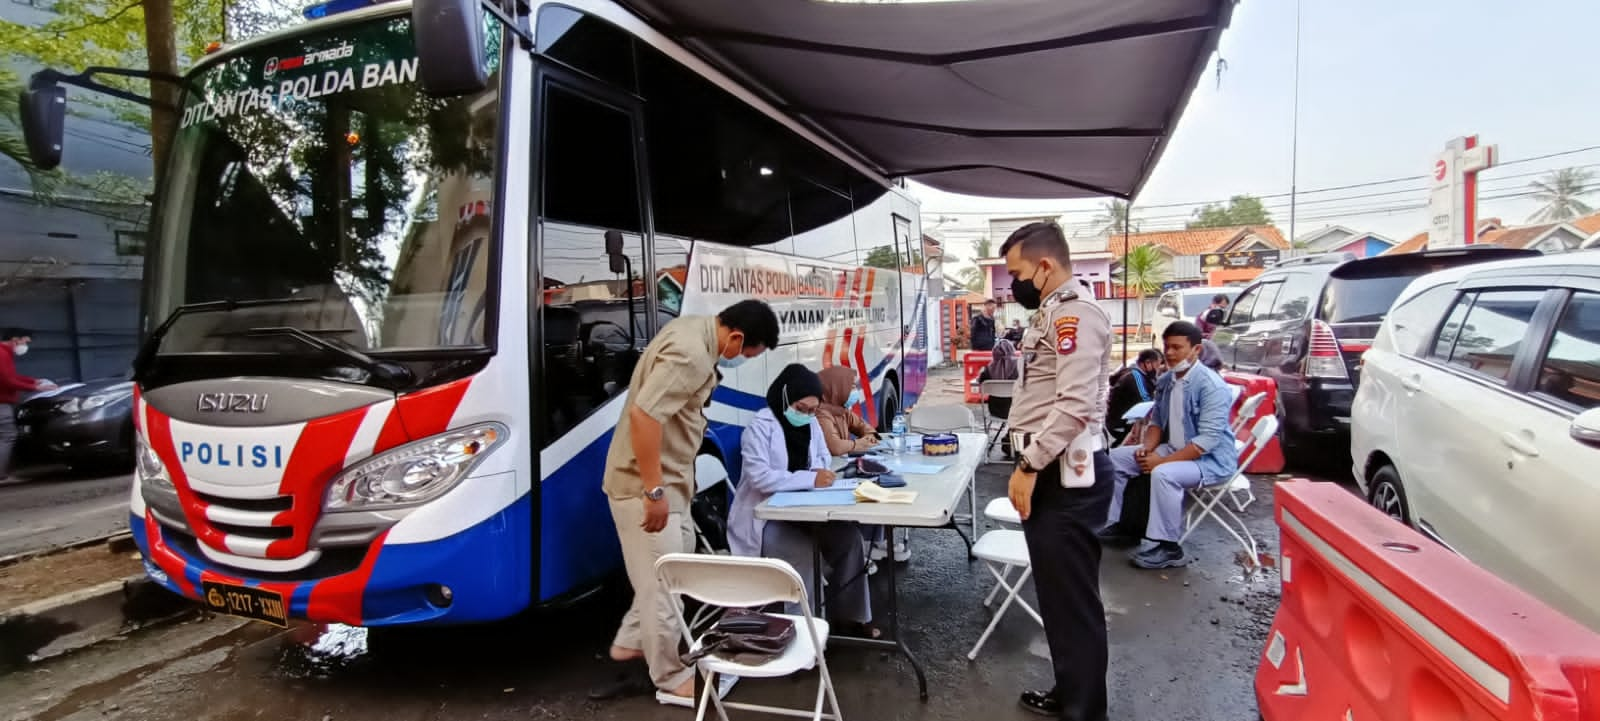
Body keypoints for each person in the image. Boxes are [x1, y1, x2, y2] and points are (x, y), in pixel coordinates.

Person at [593, 300, 780, 706]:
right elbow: (645, 417)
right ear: (736, 337)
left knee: (678, 569)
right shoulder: (693, 355)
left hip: (674, 482)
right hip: (645, 487)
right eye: (748, 354)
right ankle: (670, 676)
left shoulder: (694, 328)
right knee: (662, 587)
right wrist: (653, 491)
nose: (742, 360)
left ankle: (632, 640)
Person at [998, 222, 1114, 721]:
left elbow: (1075, 407)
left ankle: (1084, 710)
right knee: (1057, 598)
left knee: (1072, 604)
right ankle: (1071, 693)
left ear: (1045, 267)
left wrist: (1028, 464)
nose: (1012, 286)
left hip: (1064, 475)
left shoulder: (1075, 317)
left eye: (1017, 274)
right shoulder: (1051, 314)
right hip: (1055, 472)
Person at [726, 364, 879, 637]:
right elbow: (760, 478)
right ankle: (806, 636)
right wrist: (809, 479)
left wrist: (816, 475)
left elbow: (822, 460)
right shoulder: (759, 428)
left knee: (849, 539)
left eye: (812, 410)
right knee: (803, 554)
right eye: (801, 408)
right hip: (768, 518)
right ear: (785, 398)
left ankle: (852, 616)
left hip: (807, 509)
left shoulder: (811, 424)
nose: (806, 415)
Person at [1101, 321, 1238, 570]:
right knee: (1117, 458)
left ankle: (1168, 546)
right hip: (1174, 450)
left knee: (1164, 474)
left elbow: (1206, 441)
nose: (1171, 353)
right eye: (1167, 347)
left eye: (1177, 347)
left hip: (1209, 461)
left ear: (1196, 350)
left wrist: (1160, 461)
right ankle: (1120, 524)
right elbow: (1156, 422)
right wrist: (1147, 449)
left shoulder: (1212, 386)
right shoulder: (1165, 381)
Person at [0, 328, 55, 481]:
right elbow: (7, 381)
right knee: (7, 435)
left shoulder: (4, 353)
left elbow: (11, 376)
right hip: (1, 403)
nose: (26, 346)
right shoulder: (2, 354)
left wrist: (33, 381)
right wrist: (36, 387)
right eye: (25, 342)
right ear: (15, 340)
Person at [816, 366, 880, 456]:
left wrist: (869, 436)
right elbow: (835, 447)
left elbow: (862, 426)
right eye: (852, 387)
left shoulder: (841, 410)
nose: (856, 391)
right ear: (837, 389)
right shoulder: (820, 413)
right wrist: (858, 444)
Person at [1107, 349, 1161, 442]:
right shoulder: (1135, 376)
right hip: (1120, 424)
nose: (1157, 370)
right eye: (1156, 366)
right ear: (1147, 363)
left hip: (1119, 421)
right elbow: (1146, 401)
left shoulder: (1133, 372)